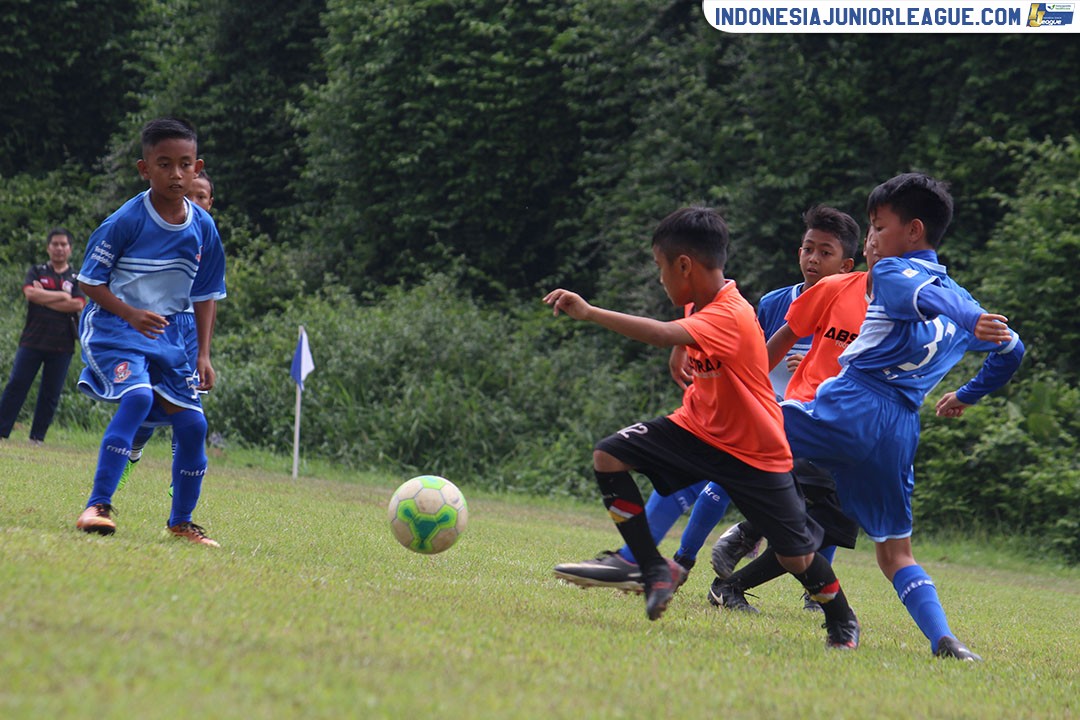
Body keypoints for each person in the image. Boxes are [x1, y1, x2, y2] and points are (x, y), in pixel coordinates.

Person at [543, 206, 860, 650]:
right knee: (608, 454)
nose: (660, 279)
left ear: (685, 266)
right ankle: (651, 568)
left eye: (661, 269)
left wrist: (591, 312)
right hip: (697, 429)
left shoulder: (730, 313)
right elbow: (683, 329)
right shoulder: (702, 297)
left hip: (755, 449)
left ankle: (842, 619)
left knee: (796, 556)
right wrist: (681, 351)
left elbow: (662, 332)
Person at [778, 173, 1025, 661]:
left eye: (878, 226)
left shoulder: (893, 273)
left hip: (853, 404)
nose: (871, 239)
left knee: (732, 428)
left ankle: (659, 557)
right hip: (898, 431)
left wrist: (967, 318)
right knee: (894, 552)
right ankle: (944, 640)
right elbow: (1013, 349)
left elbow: (923, 296)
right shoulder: (964, 301)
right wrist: (968, 394)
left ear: (913, 231)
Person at [73, 118, 227, 547]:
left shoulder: (204, 227)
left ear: (197, 167)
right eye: (164, 165)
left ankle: (181, 523)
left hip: (168, 336)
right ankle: (97, 506)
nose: (175, 174)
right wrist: (131, 314)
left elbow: (207, 293)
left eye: (184, 165)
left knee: (194, 425)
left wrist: (203, 355)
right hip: (113, 327)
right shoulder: (125, 221)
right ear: (145, 169)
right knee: (138, 396)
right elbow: (88, 281)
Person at [709, 229, 877, 614]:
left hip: (858, 431)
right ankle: (741, 540)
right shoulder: (835, 290)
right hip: (811, 417)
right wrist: (744, 388)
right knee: (805, 513)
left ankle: (738, 568)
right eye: (874, 235)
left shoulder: (905, 304)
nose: (813, 259)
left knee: (823, 528)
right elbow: (784, 337)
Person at [116, 169, 217, 494]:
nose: (195, 202)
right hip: (156, 324)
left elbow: (209, 298)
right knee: (148, 403)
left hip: (187, 330)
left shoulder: (208, 236)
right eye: (191, 196)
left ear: (211, 202)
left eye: (202, 196)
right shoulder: (161, 228)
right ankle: (131, 453)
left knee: (188, 409)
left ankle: (180, 480)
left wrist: (204, 352)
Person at [0, 229, 87, 444]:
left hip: (62, 345)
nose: (59, 248)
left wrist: (44, 298)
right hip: (32, 340)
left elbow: (77, 304)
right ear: (48, 247)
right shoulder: (37, 271)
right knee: (16, 385)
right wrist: (61, 296)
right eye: (55, 244)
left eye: (63, 244)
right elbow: (30, 293)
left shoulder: (76, 277)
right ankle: (2, 432)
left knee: (50, 393)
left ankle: (37, 438)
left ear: (70, 248)